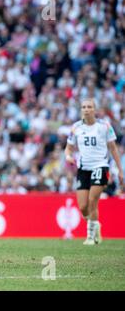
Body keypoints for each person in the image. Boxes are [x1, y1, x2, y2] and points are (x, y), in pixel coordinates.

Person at [65, 98, 123, 245]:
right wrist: (68, 156)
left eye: (89, 107)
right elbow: (69, 147)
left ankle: (91, 236)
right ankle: (95, 224)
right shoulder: (76, 127)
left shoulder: (104, 126)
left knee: (92, 201)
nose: (86, 109)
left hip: (100, 166)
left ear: (94, 109)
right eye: (83, 107)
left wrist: (120, 170)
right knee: (83, 207)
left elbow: (113, 148)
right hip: (83, 168)